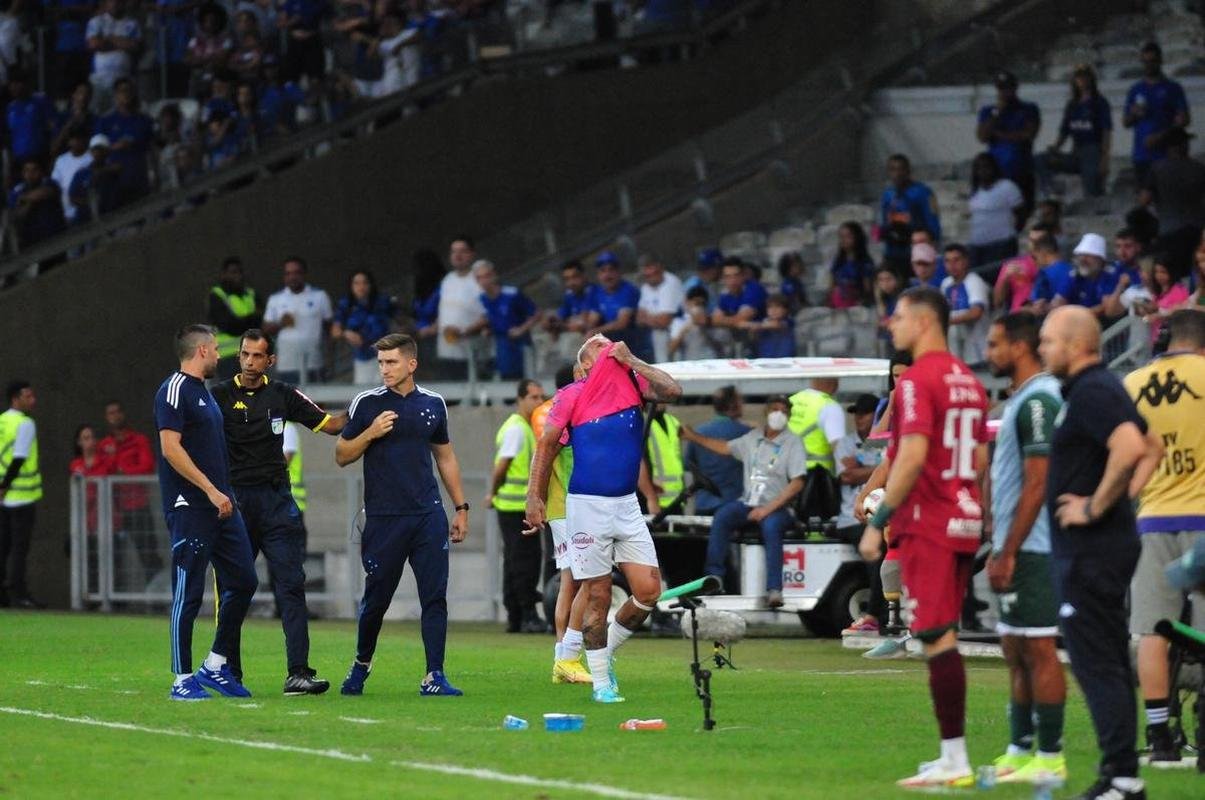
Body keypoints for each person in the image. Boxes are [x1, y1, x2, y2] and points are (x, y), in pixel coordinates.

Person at [857, 286, 989, 787]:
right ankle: (951, 757)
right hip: (964, 518)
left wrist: (878, 522)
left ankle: (955, 759)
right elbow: (979, 460)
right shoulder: (969, 381)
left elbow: (910, 457)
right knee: (941, 633)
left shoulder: (915, 381)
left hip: (929, 523)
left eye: (898, 316)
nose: (892, 324)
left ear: (924, 321)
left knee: (935, 636)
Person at [1038, 306, 1164, 800]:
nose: (1043, 349)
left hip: (1090, 550)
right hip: (1100, 547)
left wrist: (1095, 507)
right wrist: (1118, 502)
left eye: (1049, 341)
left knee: (1098, 664)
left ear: (1075, 345)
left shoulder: (1092, 390)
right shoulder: (1098, 389)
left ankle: (1121, 778)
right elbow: (1152, 445)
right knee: (1106, 659)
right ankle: (1122, 776)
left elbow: (1132, 447)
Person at [524, 334, 682, 703]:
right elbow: (547, 444)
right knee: (596, 593)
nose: (607, 344)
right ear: (586, 366)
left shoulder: (633, 383)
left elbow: (673, 390)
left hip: (626, 505)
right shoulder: (572, 394)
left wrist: (633, 360)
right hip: (587, 507)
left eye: (608, 342)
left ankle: (604, 653)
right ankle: (600, 684)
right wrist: (534, 496)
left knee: (649, 592)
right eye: (599, 345)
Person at [211, 329, 346, 694]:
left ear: (270, 360)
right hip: (236, 503)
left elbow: (330, 424)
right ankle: (228, 671)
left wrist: (367, 407)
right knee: (232, 589)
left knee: (291, 586)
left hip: (276, 504)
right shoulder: (219, 396)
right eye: (245, 354)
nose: (249, 362)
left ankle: (298, 673)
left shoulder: (283, 395)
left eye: (258, 356)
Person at [337, 333, 470, 697]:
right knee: (376, 599)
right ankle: (361, 664)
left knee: (434, 596)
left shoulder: (434, 404)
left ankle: (434, 675)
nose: (384, 369)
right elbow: (342, 454)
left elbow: (445, 457)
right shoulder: (367, 403)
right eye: (381, 362)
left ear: (411, 364)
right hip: (384, 518)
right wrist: (370, 433)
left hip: (428, 516)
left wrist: (461, 508)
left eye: (391, 362)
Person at [982, 312, 1068, 784]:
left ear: (1019, 347)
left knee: (1038, 648)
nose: (988, 353)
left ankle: (1050, 757)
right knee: (1015, 649)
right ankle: (1019, 750)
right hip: (1016, 544)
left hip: (1034, 547)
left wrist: (1009, 550)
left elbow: (1038, 482)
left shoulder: (1039, 400)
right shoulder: (1021, 398)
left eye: (995, 344)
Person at [155, 325, 258, 701]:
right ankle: (181, 678)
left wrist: (223, 492)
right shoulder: (173, 390)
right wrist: (210, 490)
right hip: (192, 507)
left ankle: (214, 664)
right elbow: (171, 448)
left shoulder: (204, 393)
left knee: (244, 581)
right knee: (188, 593)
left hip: (222, 506)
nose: (219, 354)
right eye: (215, 348)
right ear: (200, 351)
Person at [1122, 309, 1205, 764]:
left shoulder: (1132, 383)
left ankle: (1158, 736)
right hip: (1203, 518)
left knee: (1152, 630)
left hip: (1152, 517)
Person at [682, 397, 806, 609]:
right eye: (775, 409)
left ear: (789, 416)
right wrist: (693, 437)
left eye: (784, 411)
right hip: (748, 502)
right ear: (766, 412)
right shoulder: (753, 438)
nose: (779, 414)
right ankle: (714, 577)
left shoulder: (793, 442)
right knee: (723, 516)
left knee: (771, 526)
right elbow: (725, 448)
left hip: (778, 507)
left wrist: (766, 509)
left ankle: (774, 589)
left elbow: (797, 483)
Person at [531, 364, 592, 684]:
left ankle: (563, 657)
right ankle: (566, 656)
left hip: (566, 506)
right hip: (567, 506)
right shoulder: (561, 412)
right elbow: (546, 456)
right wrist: (536, 500)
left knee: (574, 580)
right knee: (580, 580)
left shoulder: (546, 411)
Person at [488, 378, 547, 634]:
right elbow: (502, 466)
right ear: (520, 399)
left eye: (541, 397)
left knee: (514, 561)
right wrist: (492, 493)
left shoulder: (525, 427)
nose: (539, 402)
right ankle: (527, 614)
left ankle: (515, 615)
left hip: (516, 505)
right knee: (525, 562)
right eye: (534, 397)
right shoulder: (517, 429)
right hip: (515, 506)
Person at [98, 400, 159, 586]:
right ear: (106, 418)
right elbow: (102, 470)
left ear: (123, 414)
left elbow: (147, 466)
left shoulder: (138, 440)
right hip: (113, 510)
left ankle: (155, 592)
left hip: (137, 506)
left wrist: (124, 473)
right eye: (111, 413)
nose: (115, 416)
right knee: (113, 555)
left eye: (117, 411)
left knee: (148, 552)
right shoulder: (104, 445)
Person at [1035, 64, 1112, 198]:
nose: (1082, 80)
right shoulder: (1072, 104)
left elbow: (1106, 131)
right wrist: (1055, 148)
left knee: (1091, 190)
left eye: (1085, 76)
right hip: (1076, 151)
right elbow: (1064, 131)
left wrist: (1104, 159)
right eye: (1079, 77)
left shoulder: (1099, 102)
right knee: (1040, 159)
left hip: (1093, 152)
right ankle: (1050, 192)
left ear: (1091, 79)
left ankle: (1094, 203)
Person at [0, 381, 44, 609]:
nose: (32, 400)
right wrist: (5, 485)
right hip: (21, 495)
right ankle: (19, 593)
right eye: (28, 396)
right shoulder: (25, 423)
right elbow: (19, 457)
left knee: (3, 546)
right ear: (15, 399)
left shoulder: (2, 421)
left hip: (4, 498)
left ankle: (3, 594)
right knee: (19, 549)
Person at [1138, 128, 1205, 276]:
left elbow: (1144, 200)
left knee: (1174, 274)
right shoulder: (1199, 168)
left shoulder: (1157, 169)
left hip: (1170, 230)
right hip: (1197, 230)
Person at [1123, 41, 1191, 188]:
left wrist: (1160, 137)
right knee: (1144, 197)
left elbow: (1184, 120)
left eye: (1152, 61)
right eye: (1145, 62)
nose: (1149, 65)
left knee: (1168, 197)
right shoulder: (1135, 89)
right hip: (1141, 155)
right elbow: (1126, 123)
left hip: (1168, 155)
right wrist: (1133, 114)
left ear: (1160, 61)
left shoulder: (1173, 88)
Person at [976, 70, 1040, 216]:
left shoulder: (1028, 109)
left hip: (1021, 169)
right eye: (1001, 88)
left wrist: (999, 134)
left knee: (1022, 212)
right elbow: (982, 136)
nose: (1005, 92)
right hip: (997, 172)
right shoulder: (988, 111)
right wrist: (997, 113)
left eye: (1008, 87)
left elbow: (1028, 134)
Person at [262, 256, 333, 384]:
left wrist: (329, 357)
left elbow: (329, 328)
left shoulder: (319, 296)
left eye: (296, 273)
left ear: (304, 274)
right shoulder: (276, 299)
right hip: (286, 364)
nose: (292, 277)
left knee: (315, 397)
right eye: (288, 273)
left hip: (314, 363)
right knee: (287, 397)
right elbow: (265, 330)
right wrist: (281, 324)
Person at [468, 261, 538, 381]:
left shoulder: (511, 294)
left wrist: (521, 329)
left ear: (494, 275)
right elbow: (488, 319)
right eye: (479, 278)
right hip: (498, 348)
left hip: (519, 346)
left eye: (487, 276)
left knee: (523, 381)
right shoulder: (481, 299)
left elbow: (536, 313)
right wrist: (487, 329)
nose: (484, 281)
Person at [685, 386, 750, 516]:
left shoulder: (698, 433)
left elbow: (688, 465)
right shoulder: (746, 433)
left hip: (704, 505)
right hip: (734, 506)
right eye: (741, 400)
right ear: (734, 405)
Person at [880, 153, 942, 277]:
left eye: (901, 169)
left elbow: (933, 222)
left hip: (916, 252)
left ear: (908, 171)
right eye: (893, 169)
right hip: (893, 252)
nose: (897, 174)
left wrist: (929, 244)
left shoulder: (923, 192)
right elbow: (884, 222)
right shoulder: (888, 194)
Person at [94, 79, 154, 207]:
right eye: (122, 91)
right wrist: (116, 147)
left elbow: (152, 148)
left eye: (129, 91)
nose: (126, 94)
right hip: (115, 180)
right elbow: (97, 151)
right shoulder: (106, 121)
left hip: (139, 177)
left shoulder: (144, 120)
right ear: (116, 95)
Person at [331, 270, 397, 385]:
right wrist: (346, 333)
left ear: (371, 285)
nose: (361, 287)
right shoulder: (346, 304)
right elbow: (335, 331)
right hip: (361, 357)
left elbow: (402, 322)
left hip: (385, 356)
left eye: (365, 283)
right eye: (356, 283)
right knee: (364, 390)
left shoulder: (382, 302)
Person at [967, 152, 1025, 273]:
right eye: (979, 168)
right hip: (977, 246)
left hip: (1001, 245)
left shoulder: (1007, 187)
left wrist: (1012, 234)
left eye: (986, 167)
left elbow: (1020, 212)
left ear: (994, 168)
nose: (983, 171)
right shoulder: (975, 190)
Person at [436, 235, 484, 377]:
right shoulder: (447, 280)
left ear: (472, 254)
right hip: (447, 353)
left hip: (472, 354)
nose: (457, 255)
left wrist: (464, 332)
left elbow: (488, 315)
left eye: (462, 251)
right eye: (454, 251)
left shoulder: (480, 280)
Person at [592, 251, 653, 363]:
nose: (607, 275)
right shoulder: (598, 292)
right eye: (603, 271)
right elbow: (592, 320)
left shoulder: (628, 290)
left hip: (632, 343)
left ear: (618, 272)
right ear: (598, 274)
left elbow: (622, 323)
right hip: (611, 341)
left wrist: (595, 331)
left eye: (611, 270)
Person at [208, 257, 263, 380]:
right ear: (224, 275)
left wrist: (242, 321)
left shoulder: (251, 294)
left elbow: (261, 321)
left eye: (239, 272)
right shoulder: (218, 295)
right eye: (233, 272)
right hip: (228, 357)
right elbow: (229, 325)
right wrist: (251, 320)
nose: (237, 276)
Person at [940, 243, 991, 367]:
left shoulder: (975, 281)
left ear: (966, 261)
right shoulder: (945, 284)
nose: (952, 265)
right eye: (948, 261)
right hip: (956, 353)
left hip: (978, 353)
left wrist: (947, 320)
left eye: (956, 260)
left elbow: (976, 312)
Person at [787, 377, 845, 475]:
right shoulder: (830, 406)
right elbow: (840, 450)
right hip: (816, 474)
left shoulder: (791, 400)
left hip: (787, 472)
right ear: (833, 383)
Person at [636, 253, 685, 364]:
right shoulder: (645, 287)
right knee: (656, 333)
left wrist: (648, 318)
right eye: (646, 271)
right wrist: (654, 320)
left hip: (680, 330)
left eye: (651, 268)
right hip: (658, 331)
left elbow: (664, 321)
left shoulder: (671, 282)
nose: (649, 274)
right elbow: (639, 319)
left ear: (660, 267)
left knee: (660, 333)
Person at [7, 161, 66, 249]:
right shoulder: (18, 189)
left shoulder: (49, 182)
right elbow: (18, 215)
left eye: (34, 170)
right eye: (27, 170)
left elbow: (45, 192)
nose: (30, 174)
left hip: (55, 236)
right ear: (23, 173)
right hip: (32, 241)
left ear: (41, 171)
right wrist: (31, 200)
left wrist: (24, 198)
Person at [545, 259, 600, 338]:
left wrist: (562, 325)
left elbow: (586, 325)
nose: (571, 283)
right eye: (567, 279)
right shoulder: (570, 295)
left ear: (584, 275)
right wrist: (552, 320)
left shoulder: (596, 292)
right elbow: (560, 316)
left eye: (575, 277)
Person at [51, 125, 93, 227]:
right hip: (67, 213)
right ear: (69, 141)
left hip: (87, 209)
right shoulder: (61, 160)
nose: (77, 142)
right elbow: (55, 184)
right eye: (74, 139)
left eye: (79, 138)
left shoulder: (92, 156)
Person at [646, 403, 685, 511]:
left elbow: (677, 458)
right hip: (655, 499)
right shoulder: (643, 423)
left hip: (677, 497)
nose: (661, 401)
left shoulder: (673, 421)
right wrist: (650, 496)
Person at [829, 222, 875, 308]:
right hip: (837, 304)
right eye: (841, 237)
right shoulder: (838, 261)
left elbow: (867, 288)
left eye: (848, 236)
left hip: (856, 305)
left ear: (857, 238)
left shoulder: (864, 262)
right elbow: (832, 284)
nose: (843, 240)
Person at [1026, 233, 1073, 316]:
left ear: (1042, 252)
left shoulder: (1043, 274)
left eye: (1034, 256)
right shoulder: (1073, 270)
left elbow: (1037, 307)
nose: (1034, 261)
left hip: (1053, 319)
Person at [683, 247, 724, 313]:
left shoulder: (703, 283)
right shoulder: (695, 287)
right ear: (713, 269)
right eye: (720, 268)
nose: (722, 271)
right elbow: (697, 316)